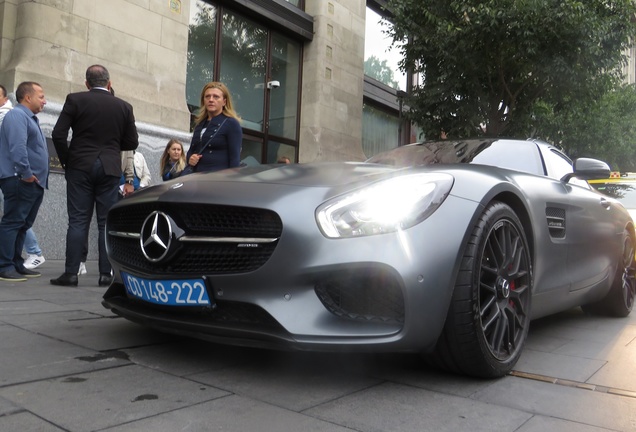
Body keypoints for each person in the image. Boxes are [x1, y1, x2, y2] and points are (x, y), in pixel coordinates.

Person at [50, 65, 138, 287]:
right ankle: (105, 274)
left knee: (78, 220)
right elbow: (132, 142)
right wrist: (111, 146)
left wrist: (69, 161)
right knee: (105, 222)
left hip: (80, 165)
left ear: (87, 83)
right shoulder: (124, 107)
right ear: (109, 83)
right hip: (109, 166)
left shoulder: (75, 99)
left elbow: (58, 134)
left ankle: (71, 273)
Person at [0, 81, 48, 282]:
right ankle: (4, 265)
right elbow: (18, 149)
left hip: (32, 182)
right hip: (21, 180)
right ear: (27, 97)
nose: (44, 101)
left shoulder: (29, 118)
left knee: (23, 224)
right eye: (41, 96)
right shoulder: (17, 115)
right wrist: (27, 174)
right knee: (13, 222)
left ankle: (16, 262)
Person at [185, 82, 242, 174]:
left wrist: (231, 183)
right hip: (196, 178)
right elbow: (191, 150)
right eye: (207, 96)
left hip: (217, 180)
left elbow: (235, 159)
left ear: (224, 101)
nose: (211, 100)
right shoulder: (199, 124)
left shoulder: (231, 124)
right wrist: (190, 158)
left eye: (216, 97)